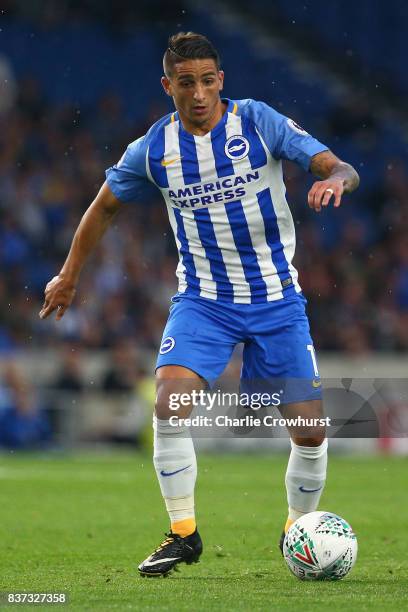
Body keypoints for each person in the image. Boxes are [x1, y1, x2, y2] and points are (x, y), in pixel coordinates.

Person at [39, 31, 359, 577]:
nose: (199, 93)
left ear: (221, 82)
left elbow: (340, 166)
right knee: (170, 400)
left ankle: (295, 533)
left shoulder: (257, 122)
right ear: (169, 87)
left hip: (277, 300)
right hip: (203, 301)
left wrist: (336, 182)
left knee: (309, 432)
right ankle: (183, 533)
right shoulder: (153, 149)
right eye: (186, 83)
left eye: (208, 81)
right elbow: (103, 207)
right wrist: (68, 276)